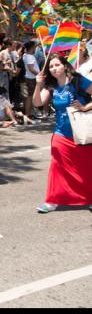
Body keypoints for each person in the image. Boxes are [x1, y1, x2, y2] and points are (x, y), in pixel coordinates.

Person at [33, 53, 92, 213]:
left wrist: (85, 107)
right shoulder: (51, 86)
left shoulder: (78, 80)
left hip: (82, 132)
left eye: (57, 65)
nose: (54, 68)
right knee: (57, 166)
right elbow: (37, 103)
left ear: (65, 66)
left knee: (86, 167)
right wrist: (38, 85)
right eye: (51, 66)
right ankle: (52, 201)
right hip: (61, 133)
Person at [21, 41, 40, 118]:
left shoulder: (25, 55)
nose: (35, 49)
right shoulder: (30, 57)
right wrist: (39, 74)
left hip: (30, 78)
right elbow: (31, 69)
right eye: (35, 47)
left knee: (30, 97)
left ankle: (30, 114)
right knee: (30, 97)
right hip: (31, 79)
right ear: (32, 48)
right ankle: (28, 115)